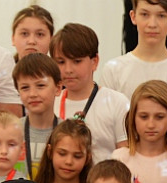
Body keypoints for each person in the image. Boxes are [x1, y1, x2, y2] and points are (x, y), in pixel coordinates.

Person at [98, 0, 167, 119]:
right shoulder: (113, 70)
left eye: (161, 16)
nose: (152, 24)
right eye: (145, 15)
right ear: (133, 17)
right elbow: (107, 124)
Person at [50, 23, 130, 162]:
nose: (68, 69)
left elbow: (126, 158)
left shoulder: (117, 103)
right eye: (61, 62)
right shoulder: (50, 103)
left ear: (95, 61)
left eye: (77, 61)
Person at [13, 53, 61, 178]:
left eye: (40, 86)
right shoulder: (11, 131)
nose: (32, 94)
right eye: (25, 88)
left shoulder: (69, 132)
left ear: (58, 87)